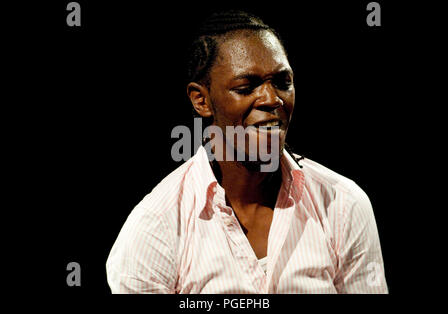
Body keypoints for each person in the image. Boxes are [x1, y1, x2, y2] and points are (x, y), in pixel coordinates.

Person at [106, 10, 388, 293]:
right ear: (201, 100)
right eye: (246, 87)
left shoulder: (343, 204)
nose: (272, 99)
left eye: (282, 82)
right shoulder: (155, 226)